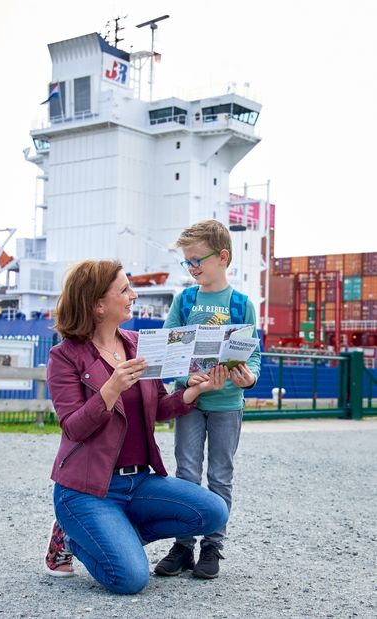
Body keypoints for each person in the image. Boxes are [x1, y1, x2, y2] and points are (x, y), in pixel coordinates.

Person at [45, 259, 229, 594]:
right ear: (98, 305)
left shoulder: (139, 343)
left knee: (214, 511)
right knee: (130, 580)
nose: (134, 294)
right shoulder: (65, 356)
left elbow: (158, 407)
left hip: (139, 481)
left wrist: (193, 391)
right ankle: (70, 535)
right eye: (124, 289)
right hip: (87, 489)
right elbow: (73, 427)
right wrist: (111, 389)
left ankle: (103, 534)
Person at [154, 220, 261, 579]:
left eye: (197, 260)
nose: (192, 268)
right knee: (185, 474)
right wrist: (189, 380)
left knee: (220, 475)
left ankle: (213, 545)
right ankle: (183, 544)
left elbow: (254, 356)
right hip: (190, 401)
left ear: (223, 257)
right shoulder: (184, 301)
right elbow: (169, 352)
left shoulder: (242, 304)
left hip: (228, 405)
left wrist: (249, 378)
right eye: (187, 262)